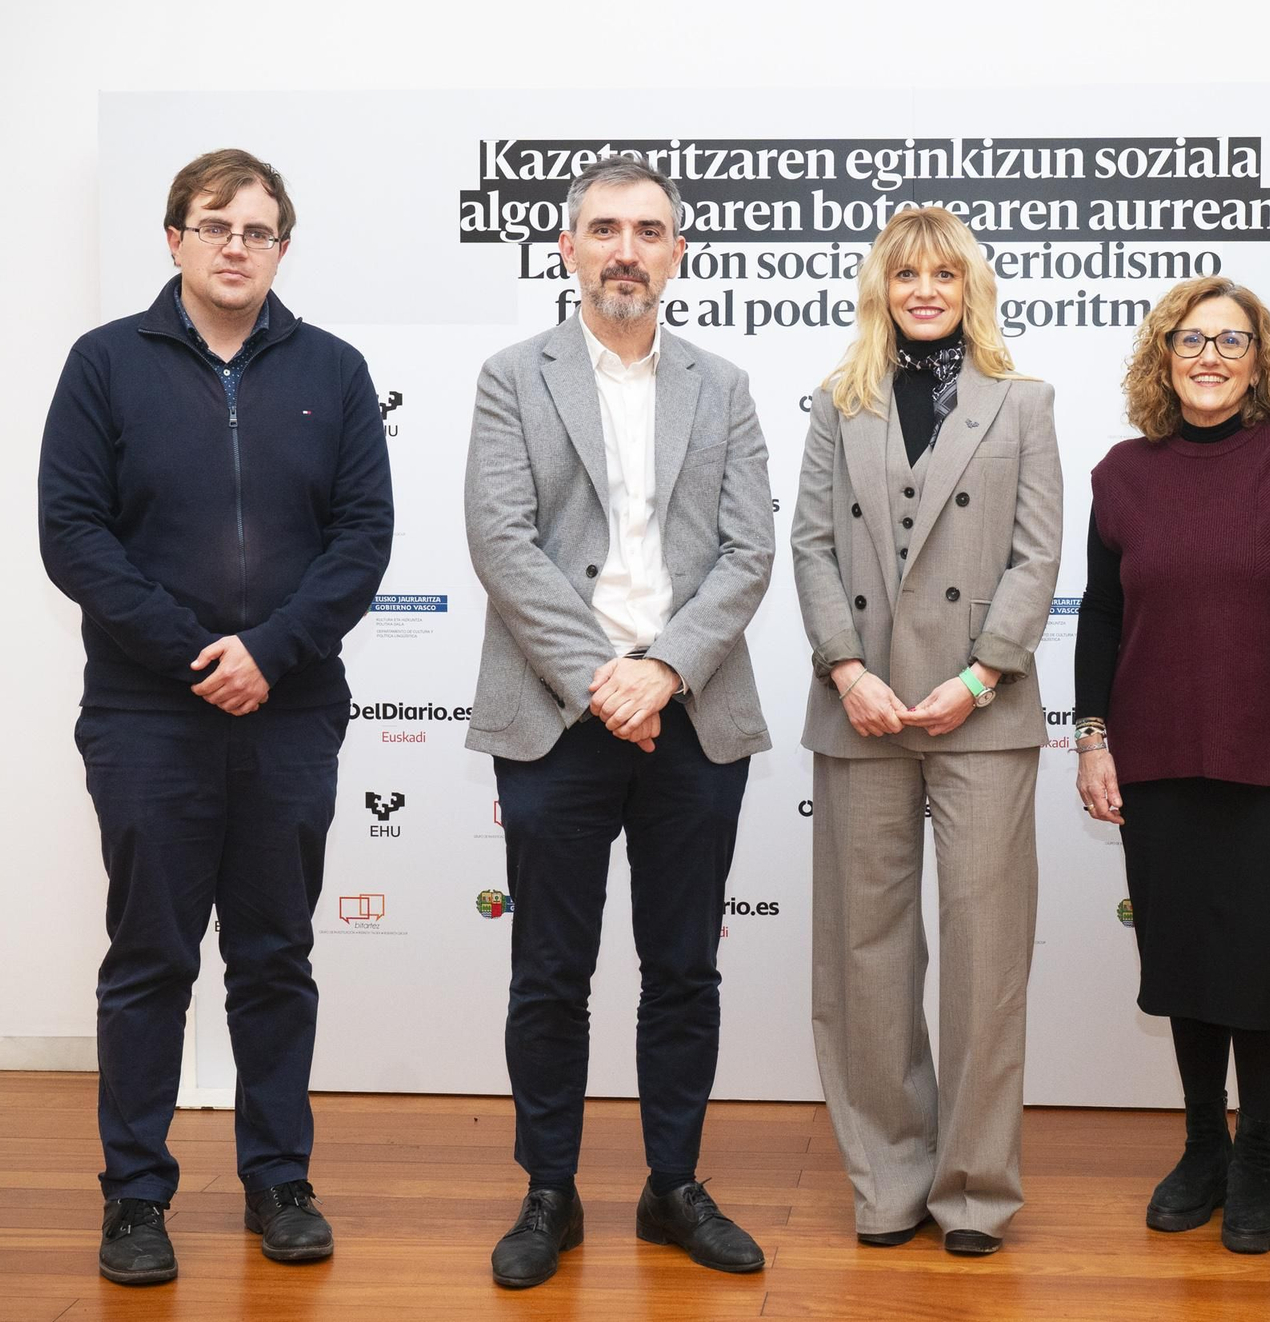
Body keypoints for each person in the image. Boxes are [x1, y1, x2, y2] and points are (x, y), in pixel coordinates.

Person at [39, 149, 394, 1285]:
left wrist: (270, 654)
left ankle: (278, 1180)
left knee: (275, 955)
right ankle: (135, 1196)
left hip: (290, 710)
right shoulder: (105, 364)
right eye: (214, 223)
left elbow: (362, 540)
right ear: (174, 238)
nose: (236, 245)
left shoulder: (334, 371)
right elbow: (73, 535)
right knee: (150, 956)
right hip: (147, 712)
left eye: (257, 228)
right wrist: (197, 654)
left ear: (282, 247)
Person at [463, 156, 775, 1290]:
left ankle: (671, 1187)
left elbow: (749, 552)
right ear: (568, 249)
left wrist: (664, 671)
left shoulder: (723, 384)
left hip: (692, 714)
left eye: (648, 230)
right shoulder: (513, 377)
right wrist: (606, 678)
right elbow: (500, 541)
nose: (626, 250)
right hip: (557, 714)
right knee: (550, 972)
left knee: (683, 968)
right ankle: (549, 1190)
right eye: (604, 229)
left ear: (676, 252)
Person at [791, 206, 1062, 1257]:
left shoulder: (1023, 402)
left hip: (979, 709)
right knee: (863, 959)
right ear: (881, 288)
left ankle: (975, 1191)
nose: (923, 291)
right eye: (905, 275)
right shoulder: (838, 402)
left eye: (943, 275)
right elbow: (811, 546)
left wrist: (982, 674)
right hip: (860, 707)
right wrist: (845, 668)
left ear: (969, 287)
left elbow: (1037, 555)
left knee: (985, 960)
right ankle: (889, 1178)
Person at [1073, 278, 1270, 1254]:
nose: (1209, 356)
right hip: (1156, 757)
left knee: (1260, 964)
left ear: (1258, 359)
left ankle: (1257, 1155)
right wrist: (1093, 737)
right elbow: (1101, 613)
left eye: (1230, 341)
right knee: (1185, 960)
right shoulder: (1121, 473)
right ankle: (1202, 1144)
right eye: (1190, 340)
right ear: (1163, 357)